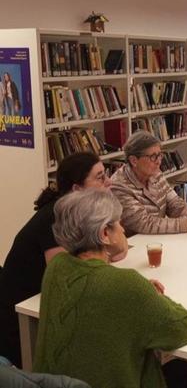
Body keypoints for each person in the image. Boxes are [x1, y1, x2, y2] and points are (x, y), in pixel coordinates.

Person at [33, 189, 187, 388]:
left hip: (51, 384)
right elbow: (183, 330)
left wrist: (138, 292)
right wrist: (149, 294)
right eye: (118, 223)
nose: (124, 229)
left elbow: (96, 295)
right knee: (180, 369)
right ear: (104, 234)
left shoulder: (57, 267)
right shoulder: (126, 284)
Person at [0, 152, 110, 368]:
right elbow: (65, 276)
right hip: (21, 317)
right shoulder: (56, 217)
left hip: (43, 303)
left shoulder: (79, 211)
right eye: (100, 177)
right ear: (77, 189)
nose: (109, 182)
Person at [111, 131, 187, 236]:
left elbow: (174, 203)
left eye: (160, 155)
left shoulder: (155, 173)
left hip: (158, 238)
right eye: (153, 157)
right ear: (134, 160)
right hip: (135, 245)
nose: (158, 161)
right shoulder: (119, 186)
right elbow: (144, 223)